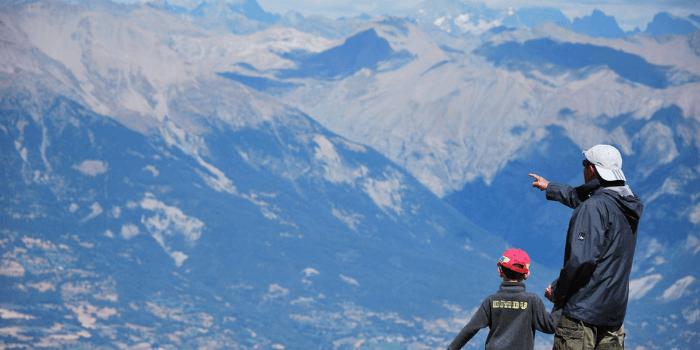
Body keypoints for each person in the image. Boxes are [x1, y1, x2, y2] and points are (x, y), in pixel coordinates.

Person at [528, 144, 644, 350]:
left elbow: (581, 260)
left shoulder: (593, 207)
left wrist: (558, 290)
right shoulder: (626, 206)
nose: (583, 168)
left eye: (585, 164)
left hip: (582, 312)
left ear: (591, 169)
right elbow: (587, 197)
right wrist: (551, 187)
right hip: (614, 315)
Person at [446, 248, 562, 350]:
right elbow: (550, 326)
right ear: (526, 275)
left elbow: (470, 329)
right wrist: (561, 301)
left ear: (500, 272)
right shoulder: (532, 301)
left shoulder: (491, 301)